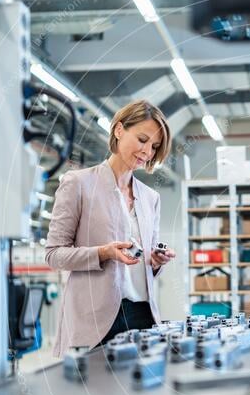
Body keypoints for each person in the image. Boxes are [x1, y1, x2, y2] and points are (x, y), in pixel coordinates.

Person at [45, 100, 176, 357]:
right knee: (92, 394)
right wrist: (103, 253)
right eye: (142, 139)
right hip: (94, 320)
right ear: (118, 130)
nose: (147, 152)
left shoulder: (150, 198)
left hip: (142, 316)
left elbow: (144, 266)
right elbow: (54, 254)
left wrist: (156, 261)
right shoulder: (78, 184)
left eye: (154, 146)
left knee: (141, 394)